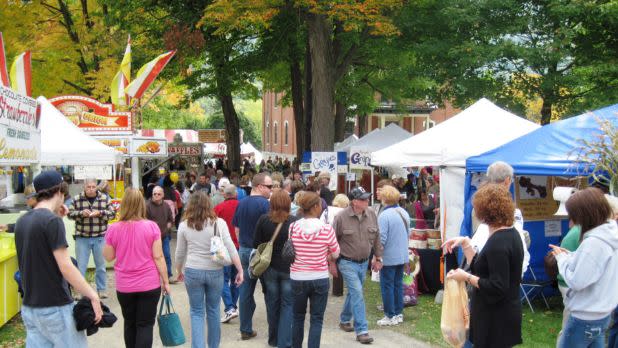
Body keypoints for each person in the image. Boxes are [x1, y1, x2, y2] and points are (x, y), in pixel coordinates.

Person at [15, 171, 102, 347]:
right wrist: (92, 295)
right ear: (60, 191)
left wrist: (57, 218)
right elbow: (66, 266)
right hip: (55, 306)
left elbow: (40, 253)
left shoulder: (22, 221)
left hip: (31, 308)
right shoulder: (52, 222)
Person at [443, 184, 524, 348]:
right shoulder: (510, 234)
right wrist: (466, 243)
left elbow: (497, 286)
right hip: (502, 314)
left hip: (495, 319)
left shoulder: (498, 243)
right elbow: (483, 268)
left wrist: (465, 276)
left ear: (484, 211)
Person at [550, 188, 618, 348]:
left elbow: (577, 281)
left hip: (585, 317)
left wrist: (561, 259)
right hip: (602, 314)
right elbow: (598, 268)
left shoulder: (594, 243)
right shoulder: (610, 234)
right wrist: (572, 256)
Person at [103, 188, 171, 348]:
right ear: (141, 204)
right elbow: (159, 256)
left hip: (125, 285)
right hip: (149, 283)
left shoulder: (113, 228)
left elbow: (108, 256)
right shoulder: (152, 227)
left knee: (130, 323)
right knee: (145, 325)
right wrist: (166, 281)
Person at [175, 191, 244, 348]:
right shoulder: (219, 223)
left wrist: (179, 271)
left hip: (193, 271)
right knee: (213, 311)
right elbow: (231, 248)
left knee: (197, 312)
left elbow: (179, 253)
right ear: (209, 205)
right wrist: (240, 270)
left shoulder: (184, 225)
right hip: (215, 271)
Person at [332, 187, 384, 344]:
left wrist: (378, 258)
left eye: (367, 198)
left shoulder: (372, 214)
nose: (367, 201)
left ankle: (344, 319)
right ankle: (362, 330)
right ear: (354, 202)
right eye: (363, 199)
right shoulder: (341, 217)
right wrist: (332, 263)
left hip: (364, 262)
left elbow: (376, 237)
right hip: (346, 262)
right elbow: (332, 241)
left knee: (354, 293)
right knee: (358, 294)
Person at [289, 192, 340, 348]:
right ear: (316, 207)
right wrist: (328, 256)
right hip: (319, 276)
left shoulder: (293, 227)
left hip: (297, 276)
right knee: (316, 319)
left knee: (297, 317)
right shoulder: (326, 229)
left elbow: (291, 249)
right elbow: (336, 252)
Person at [253, 189, 300, 348]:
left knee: (272, 303)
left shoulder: (263, 220)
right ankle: (285, 342)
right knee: (288, 305)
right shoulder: (295, 221)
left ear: (271, 203)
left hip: (269, 269)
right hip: (289, 268)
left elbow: (256, 245)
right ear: (288, 203)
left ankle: (273, 339)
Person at [470, 161, 530, 278]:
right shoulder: (513, 212)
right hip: (499, 271)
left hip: (484, 269)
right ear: (507, 180)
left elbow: (477, 247)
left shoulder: (478, 204)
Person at [233, 173, 272, 340]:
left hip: (244, 249)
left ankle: (245, 329)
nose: (271, 190)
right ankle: (274, 330)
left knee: (246, 291)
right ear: (260, 186)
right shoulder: (265, 205)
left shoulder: (241, 203)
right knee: (270, 291)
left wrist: (243, 244)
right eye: (269, 187)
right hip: (262, 252)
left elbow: (236, 228)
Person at [68, 178, 116, 299]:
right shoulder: (77, 199)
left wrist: (100, 213)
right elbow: (69, 214)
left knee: (101, 266)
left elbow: (112, 214)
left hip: (99, 236)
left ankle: (102, 289)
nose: (91, 189)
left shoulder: (104, 198)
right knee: (81, 266)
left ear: (96, 187)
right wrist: (80, 214)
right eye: (88, 187)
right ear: (84, 187)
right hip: (82, 237)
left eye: (93, 187)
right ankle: (79, 290)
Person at [376, 185, 411, 326]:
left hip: (389, 256)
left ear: (385, 198)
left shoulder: (384, 215)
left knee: (387, 286)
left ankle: (389, 315)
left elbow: (381, 239)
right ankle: (398, 313)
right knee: (397, 285)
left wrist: (377, 256)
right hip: (402, 255)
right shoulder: (404, 212)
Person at [214, 184, 241, 323]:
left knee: (223, 279)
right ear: (235, 194)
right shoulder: (242, 206)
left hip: (222, 247)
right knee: (237, 278)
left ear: (224, 194)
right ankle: (233, 306)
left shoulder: (218, 208)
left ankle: (229, 307)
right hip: (239, 246)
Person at [146, 186, 175, 282]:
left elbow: (170, 220)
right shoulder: (147, 206)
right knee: (153, 257)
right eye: (154, 194)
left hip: (164, 235)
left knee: (166, 255)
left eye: (158, 194)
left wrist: (167, 228)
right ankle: (154, 277)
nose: (156, 196)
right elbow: (145, 222)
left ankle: (169, 275)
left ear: (163, 195)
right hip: (152, 237)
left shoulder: (166, 205)